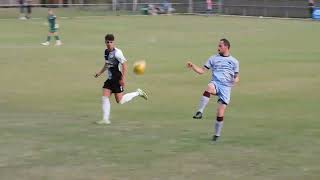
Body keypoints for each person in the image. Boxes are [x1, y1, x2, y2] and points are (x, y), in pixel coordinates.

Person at [186, 38, 240, 142]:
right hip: (216, 83)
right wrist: (193, 66)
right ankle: (200, 111)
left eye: (220, 46)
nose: (218, 48)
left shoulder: (234, 61)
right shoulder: (213, 58)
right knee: (209, 87)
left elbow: (237, 76)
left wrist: (235, 80)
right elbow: (202, 71)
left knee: (220, 112)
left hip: (226, 88)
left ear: (226, 47)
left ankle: (216, 135)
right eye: (218, 45)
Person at [94, 34, 148, 124]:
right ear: (105, 42)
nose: (109, 44)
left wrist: (123, 79)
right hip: (110, 79)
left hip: (117, 79)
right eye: (107, 42)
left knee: (120, 100)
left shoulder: (117, 53)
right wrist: (99, 73)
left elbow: (124, 65)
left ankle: (138, 92)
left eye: (111, 42)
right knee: (104, 97)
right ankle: (105, 119)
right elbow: (107, 64)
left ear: (113, 42)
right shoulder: (106, 52)